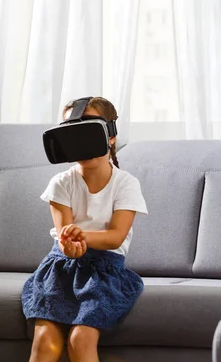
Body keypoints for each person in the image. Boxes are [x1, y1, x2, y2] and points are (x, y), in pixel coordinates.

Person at [21, 97, 148, 362]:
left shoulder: (126, 184)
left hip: (105, 270)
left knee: (81, 339)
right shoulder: (61, 184)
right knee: (45, 341)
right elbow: (64, 237)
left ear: (111, 136)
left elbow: (116, 237)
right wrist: (70, 246)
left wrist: (83, 237)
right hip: (61, 267)